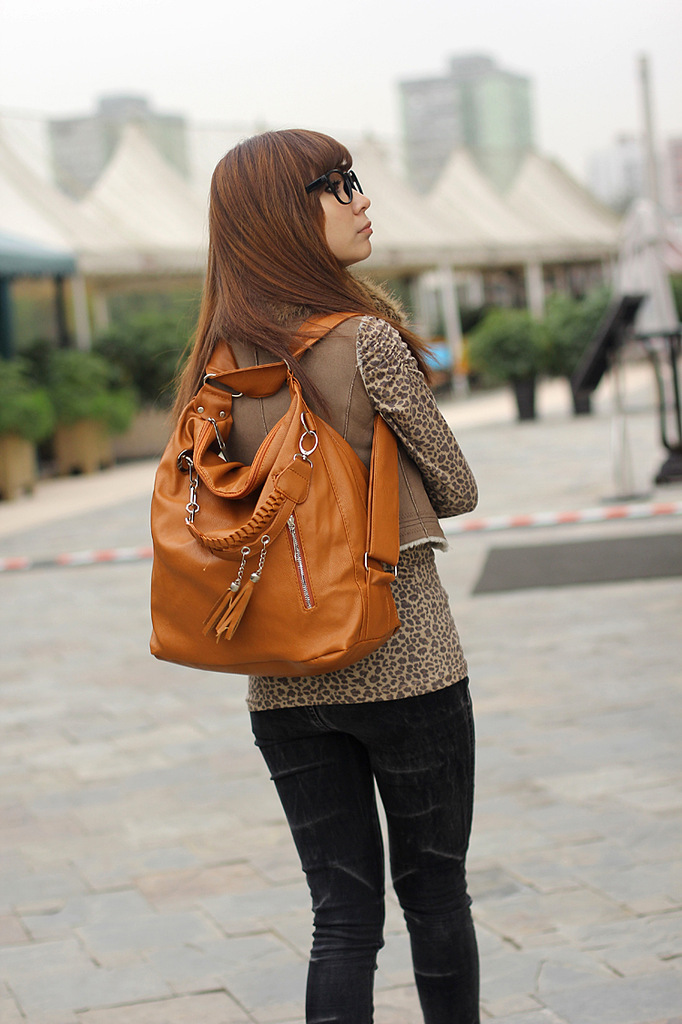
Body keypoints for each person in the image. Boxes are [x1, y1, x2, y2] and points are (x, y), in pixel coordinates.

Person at [174, 129, 480, 1024]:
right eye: (336, 184)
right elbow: (458, 487)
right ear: (284, 215)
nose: (360, 198)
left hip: (281, 679)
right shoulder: (366, 339)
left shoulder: (217, 364)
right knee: (435, 896)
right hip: (407, 660)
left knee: (341, 920)